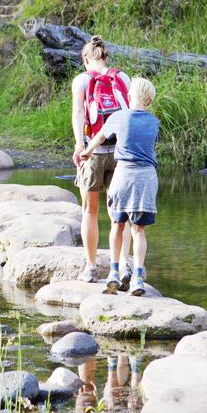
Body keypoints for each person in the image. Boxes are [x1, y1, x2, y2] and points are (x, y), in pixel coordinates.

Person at [80, 77, 159, 297]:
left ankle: (113, 273)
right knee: (138, 230)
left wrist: (87, 151)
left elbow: (100, 136)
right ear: (149, 101)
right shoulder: (154, 122)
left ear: (128, 96)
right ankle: (138, 278)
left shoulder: (118, 116)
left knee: (117, 224)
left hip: (123, 173)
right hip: (146, 177)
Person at [72, 35, 132, 284]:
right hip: (120, 152)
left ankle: (91, 267)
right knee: (119, 213)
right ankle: (125, 265)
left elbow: (78, 113)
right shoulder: (123, 78)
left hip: (93, 151)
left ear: (86, 59)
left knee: (90, 210)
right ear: (106, 57)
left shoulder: (82, 80)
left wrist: (79, 144)